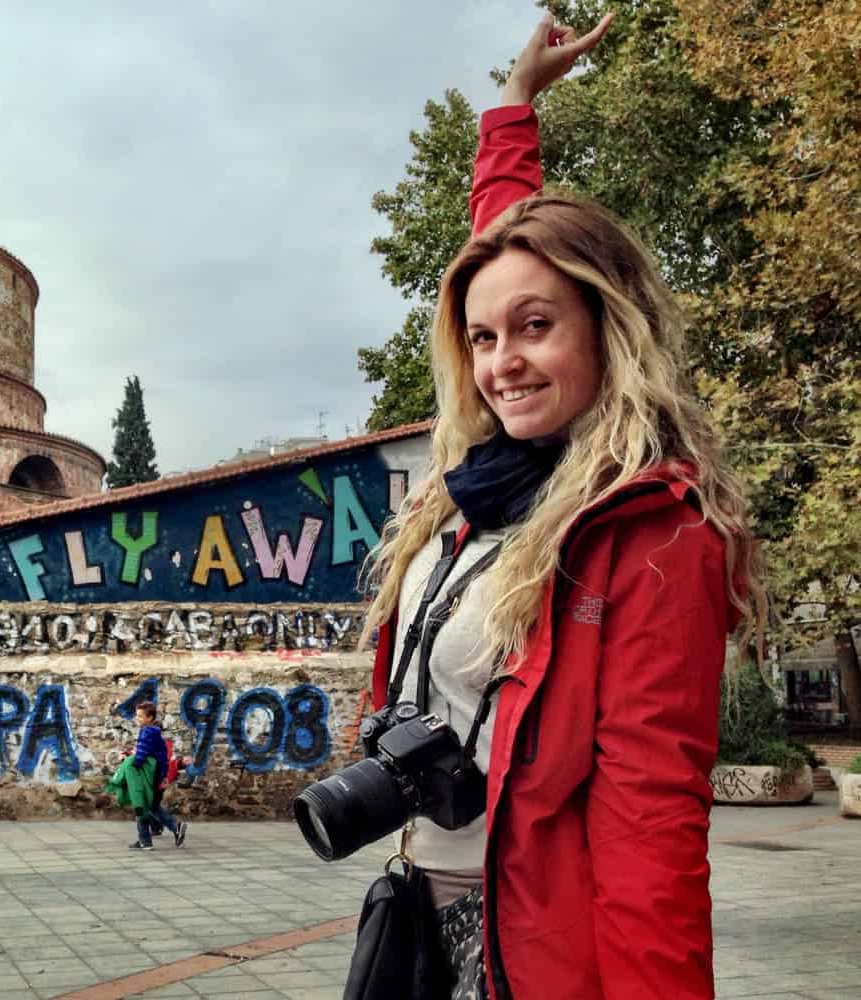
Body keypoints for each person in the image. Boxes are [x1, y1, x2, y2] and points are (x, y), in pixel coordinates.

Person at [359, 11, 763, 998]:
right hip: (419, 911)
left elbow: (653, 828)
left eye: (534, 328)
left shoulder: (656, 531)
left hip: (527, 953)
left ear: (605, 328)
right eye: (482, 337)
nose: (502, 363)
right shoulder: (497, 476)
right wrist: (511, 109)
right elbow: (508, 252)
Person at [126, 701, 187, 851]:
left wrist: (130, 765)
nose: (137, 719)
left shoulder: (147, 732)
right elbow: (161, 757)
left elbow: (141, 755)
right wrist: (164, 776)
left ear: (150, 717)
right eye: (137, 715)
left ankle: (147, 840)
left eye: (140, 716)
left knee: (141, 805)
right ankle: (168, 830)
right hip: (157, 775)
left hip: (148, 777)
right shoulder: (155, 733)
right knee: (151, 807)